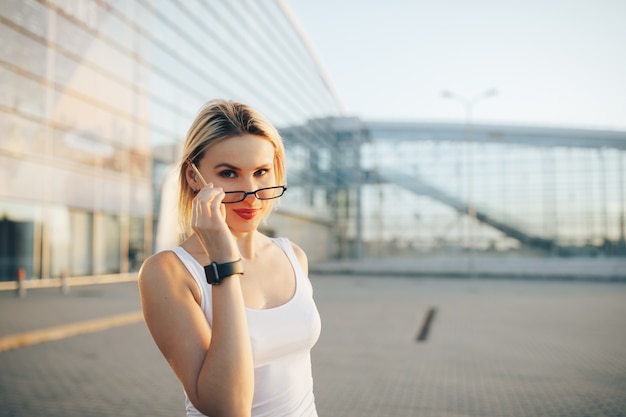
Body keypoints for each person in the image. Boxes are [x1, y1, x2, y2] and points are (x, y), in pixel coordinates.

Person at [138, 99, 322, 417]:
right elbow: (228, 408)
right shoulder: (168, 272)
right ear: (194, 177)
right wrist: (223, 261)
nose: (251, 192)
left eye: (261, 172)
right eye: (229, 173)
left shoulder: (292, 256)